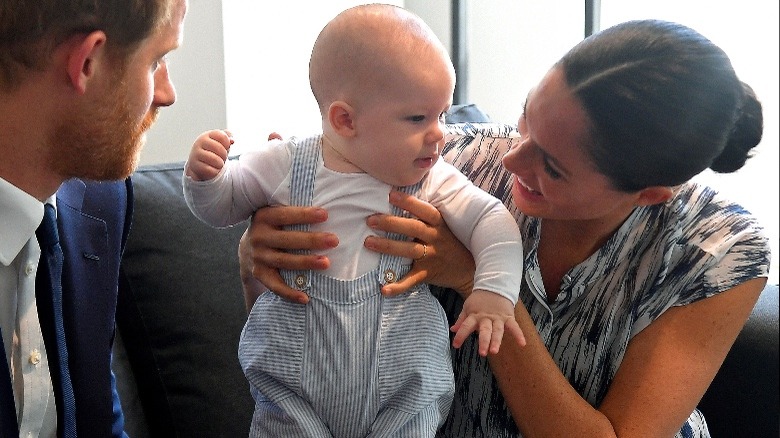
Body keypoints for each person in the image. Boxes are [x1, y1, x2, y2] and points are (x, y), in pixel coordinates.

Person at [240, 19, 770, 437]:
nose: (512, 160)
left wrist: (480, 282)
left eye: (552, 166)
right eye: (525, 119)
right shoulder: (451, 161)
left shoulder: (717, 252)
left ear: (650, 192)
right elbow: (315, 345)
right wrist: (261, 257)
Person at [183, 4, 524, 437]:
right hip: (294, 390)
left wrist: (494, 291)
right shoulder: (284, 163)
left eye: (442, 113)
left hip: (402, 391)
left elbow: (492, 220)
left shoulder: (432, 178)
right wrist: (206, 178)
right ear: (345, 120)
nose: (440, 133)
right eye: (418, 118)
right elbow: (220, 209)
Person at [0, 0, 187, 436]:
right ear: (88, 61)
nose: (167, 93)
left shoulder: (99, 204)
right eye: (157, 59)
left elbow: (98, 423)